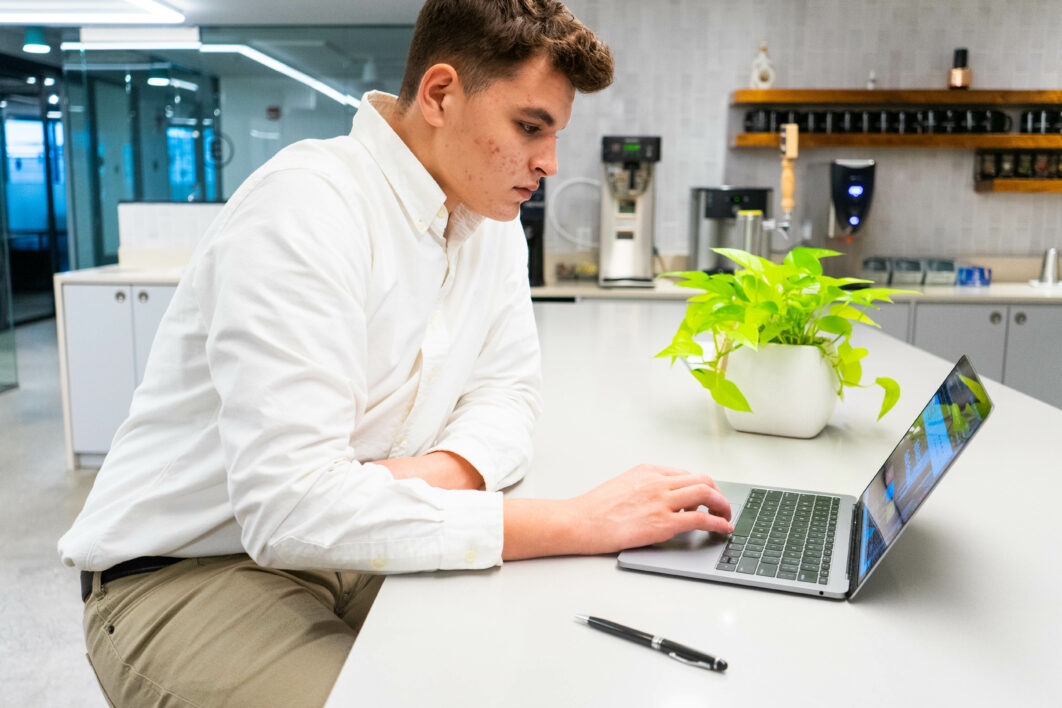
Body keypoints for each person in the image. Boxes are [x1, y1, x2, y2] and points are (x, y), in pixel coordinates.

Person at [58, 1, 734, 705]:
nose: (550, 164)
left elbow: (508, 397)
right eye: (530, 128)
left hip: (356, 542)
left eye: (555, 134)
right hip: (190, 572)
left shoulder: (494, 226)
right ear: (441, 94)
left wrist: (405, 476)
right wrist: (576, 521)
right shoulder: (305, 208)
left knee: (543, 666)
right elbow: (289, 512)